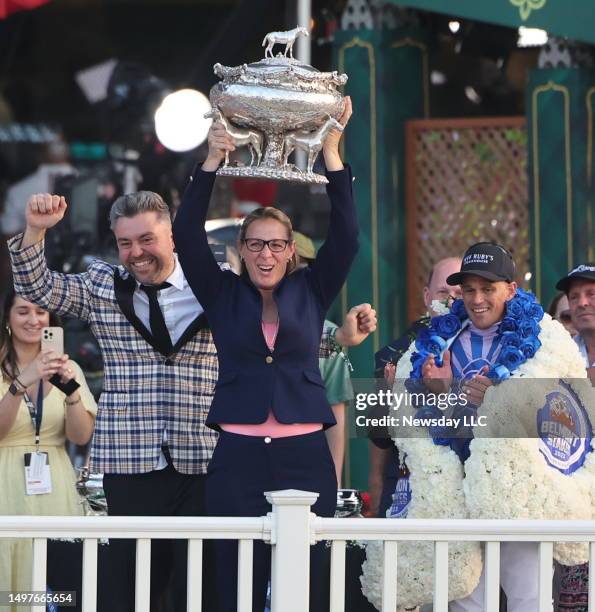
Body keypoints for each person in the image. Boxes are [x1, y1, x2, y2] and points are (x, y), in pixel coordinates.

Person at [7, 148, 373, 611]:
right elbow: (37, 289)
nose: (136, 252)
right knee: (126, 590)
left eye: (146, 239)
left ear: (172, 237)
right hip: (130, 458)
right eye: (125, 243)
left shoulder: (215, 285)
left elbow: (273, 344)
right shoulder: (102, 287)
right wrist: (35, 231)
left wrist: (338, 337)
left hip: (203, 457)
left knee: (203, 591)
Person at [172, 98, 358, 612]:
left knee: (309, 583)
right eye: (255, 245)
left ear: (290, 251)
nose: (266, 254)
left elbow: (347, 236)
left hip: (304, 457)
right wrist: (210, 163)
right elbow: (185, 236)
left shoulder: (313, 289)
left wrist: (332, 156)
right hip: (239, 459)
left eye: (276, 245)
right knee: (236, 584)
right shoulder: (222, 292)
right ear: (242, 249)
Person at [0, 289, 96, 612]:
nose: (33, 319)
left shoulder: (70, 369)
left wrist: (69, 391)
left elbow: (80, 436)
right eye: (23, 311)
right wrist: (20, 384)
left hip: (55, 484)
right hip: (5, 485)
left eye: (41, 312)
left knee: (55, 584)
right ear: (9, 321)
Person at [368, 256, 462, 517]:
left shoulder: (484, 347)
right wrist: (389, 396)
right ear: (426, 295)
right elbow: (379, 436)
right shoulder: (395, 354)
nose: (451, 300)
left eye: (459, 292)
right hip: (406, 479)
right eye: (443, 292)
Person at [294, 230, 355, 486]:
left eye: (299, 267)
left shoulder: (327, 333)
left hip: (306, 468)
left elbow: (335, 417)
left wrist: (336, 485)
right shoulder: (239, 321)